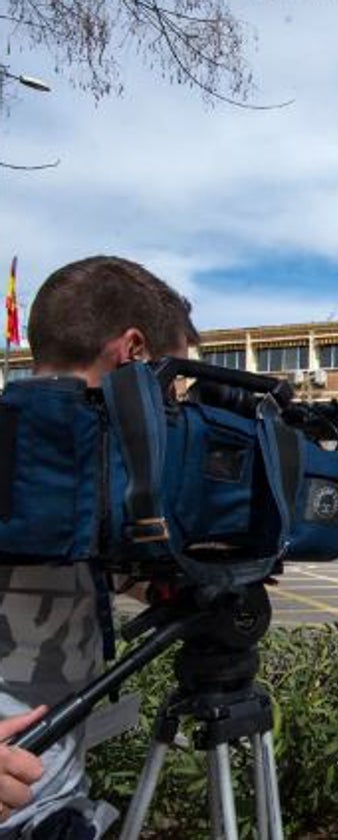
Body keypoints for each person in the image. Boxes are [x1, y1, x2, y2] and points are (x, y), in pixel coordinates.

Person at [1, 256, 198, 840]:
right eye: (174, 384)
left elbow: (74, 573)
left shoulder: (90, 477)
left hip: (60, 808)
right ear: (133, 353)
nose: (176, 409)